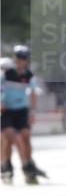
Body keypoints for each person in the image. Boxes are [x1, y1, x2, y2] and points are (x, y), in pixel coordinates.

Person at [1, 45, 47, 185]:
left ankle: (28, 164)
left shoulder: (28, 75)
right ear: (15, 58)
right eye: (18, 58)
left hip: (21, 110)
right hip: (7, 110)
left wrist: (32, 111)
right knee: (10, 138)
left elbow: (33, 93)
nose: (21, 61)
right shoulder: (6, 73)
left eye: (24, 58)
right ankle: (10, 165)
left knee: (26, 136)